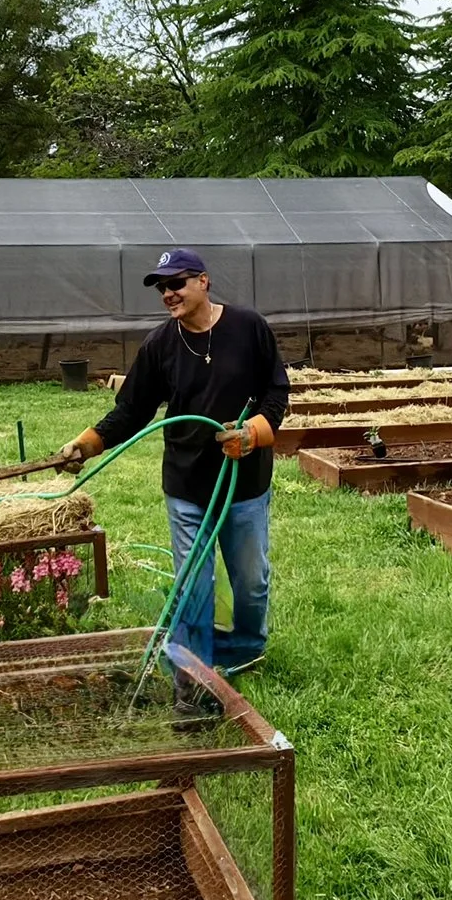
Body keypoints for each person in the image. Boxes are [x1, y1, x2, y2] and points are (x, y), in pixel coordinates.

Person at [61, 246, 290, 675]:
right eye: (162, 287)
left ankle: (244, 651)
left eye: (176, 283)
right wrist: (87, 444)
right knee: (192, 585)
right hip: (187, 484)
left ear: (203, 281)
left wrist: (253, 433)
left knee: (250, 581)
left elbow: (277, 392)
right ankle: (192, 669)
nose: (168, 293)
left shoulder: (248, 327)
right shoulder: (160, 345)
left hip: (244, 481)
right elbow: (132, 410)